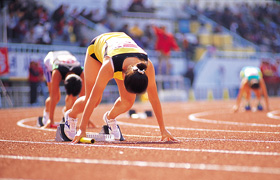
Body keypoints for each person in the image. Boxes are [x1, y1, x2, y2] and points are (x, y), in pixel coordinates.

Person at [63, 32, 176, 143]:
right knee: (94, 100)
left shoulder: (147, 66)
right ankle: (71, 115)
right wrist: (82, 130)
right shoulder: (109, 65)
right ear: (124, 75)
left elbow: (154, 98)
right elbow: (92, 98)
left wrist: (163, 129)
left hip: (122, 49)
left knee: (128, 101)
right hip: (97, 50)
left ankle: (110, 117)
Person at [42, 51, 95, 128]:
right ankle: (46, 114)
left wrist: (87, 118)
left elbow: (83, 97)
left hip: (67, 56)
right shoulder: (56, 72)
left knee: (74, 98)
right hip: (50, 60)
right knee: (56, 97)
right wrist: (51, 120)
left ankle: (67, 112)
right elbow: (53, 96)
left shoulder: (81, 73)